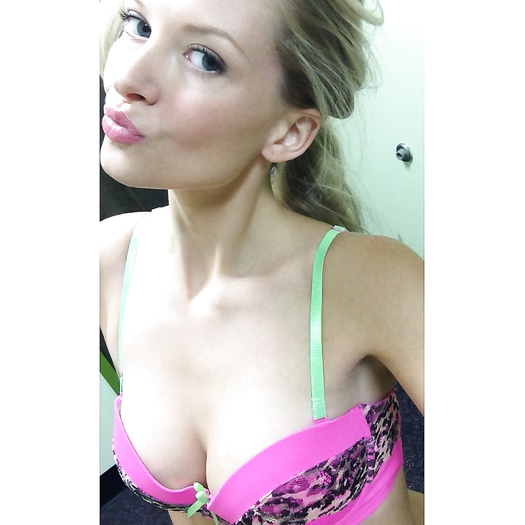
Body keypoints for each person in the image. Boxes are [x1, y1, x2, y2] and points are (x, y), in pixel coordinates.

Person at [99, 0, 424, 524]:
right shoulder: (109, 262)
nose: (127, 77)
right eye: (137, 25)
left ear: (288, 132)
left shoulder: (372, 282)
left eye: (205, 58)